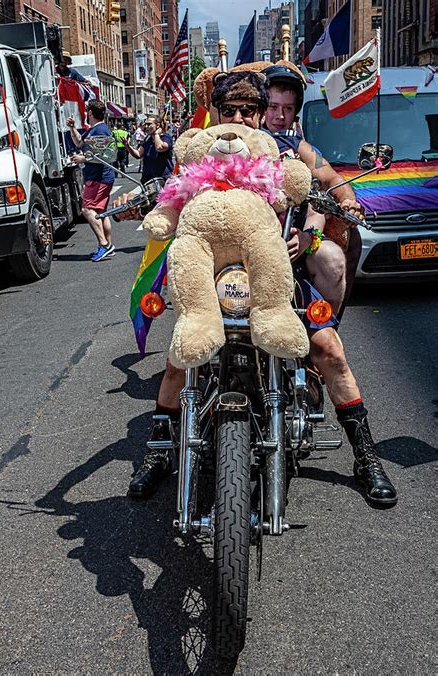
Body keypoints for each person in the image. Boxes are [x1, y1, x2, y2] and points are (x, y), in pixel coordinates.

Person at [117, 72, 397, 508]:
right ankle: (159, 450)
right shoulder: (199, 151)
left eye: (249, 110)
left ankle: (366, 457)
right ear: (215, 111)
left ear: (261, 111)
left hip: (278, 274)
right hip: (210, 278)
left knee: (330, 351)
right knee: (179, 355)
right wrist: (134, 204)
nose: (239, 118)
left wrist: (315, 229)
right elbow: (167, 195)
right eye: (229, 110)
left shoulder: (284, 150)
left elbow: (321, 186)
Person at [262, 63, 363, 315]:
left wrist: (348, 200)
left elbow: (331, 178)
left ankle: (324, 325)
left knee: (333, 261)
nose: (279, 116)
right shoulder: (241, 140)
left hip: (297, 237)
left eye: (287, 109)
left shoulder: (300, 147)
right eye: (273, 107)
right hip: (252, 239)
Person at [66, 99, 116, 262]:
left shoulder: (100, 130)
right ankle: (109, 245)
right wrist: (73, 128)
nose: (86, 114)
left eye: (87, 111)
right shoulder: (94, 130)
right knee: (101, 212)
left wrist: (83, 158)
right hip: (99, 177)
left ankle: (103, 245)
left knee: (87, 210)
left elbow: (105, 155)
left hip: (98, 177)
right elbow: (80, 142)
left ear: (91, 113)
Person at [123, 116, 174, 184]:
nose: (146, 126)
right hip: (148, 179)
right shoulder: (147, 139)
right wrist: (127, 146)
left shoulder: (166, 138)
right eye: (145, 124)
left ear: (157, 125)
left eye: (149, 124)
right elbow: (138, 154)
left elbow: (159, 148)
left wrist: (156, 134)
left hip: (163, 179)